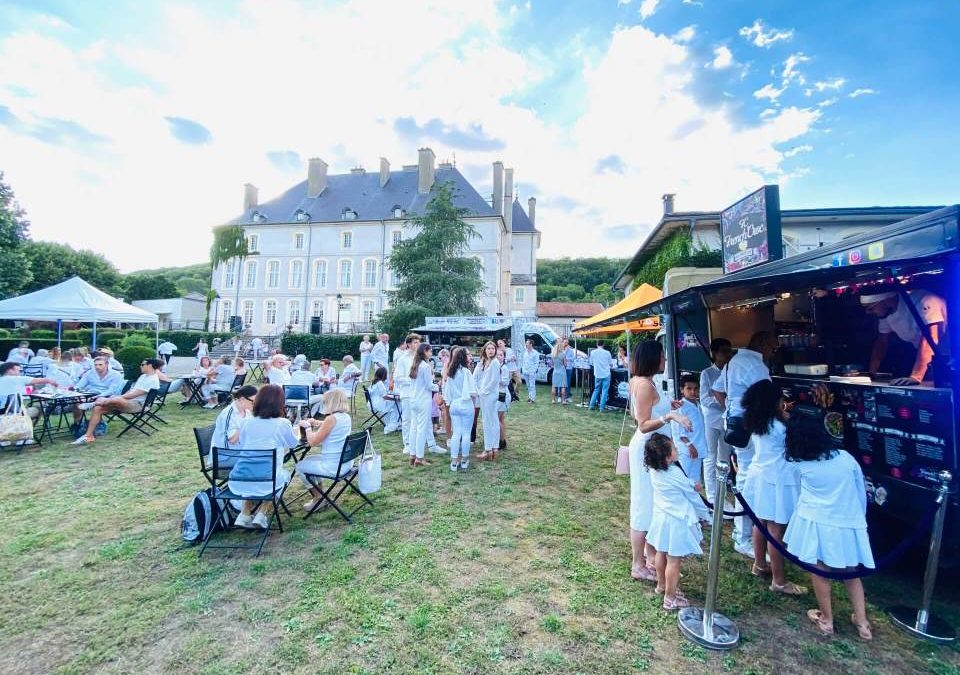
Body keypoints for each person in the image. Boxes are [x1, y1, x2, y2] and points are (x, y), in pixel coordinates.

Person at [783, 422, 874, 640]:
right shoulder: (845, 458)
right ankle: (862, 622)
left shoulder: (801, 466)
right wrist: (859, 519)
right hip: (847, 521)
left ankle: (827, 619)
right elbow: (860, 490)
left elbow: (796, 493)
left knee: (819, 570)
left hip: (817, 523)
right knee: (851, 574)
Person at [627, 340, 691, 582]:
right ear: (653, 359)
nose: (665, 360)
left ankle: (650, 554)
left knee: (653, 501)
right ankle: (638, 563)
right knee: (643, 504)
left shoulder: (644, 382)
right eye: (663, 356)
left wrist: (666, 406)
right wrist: (668, 415)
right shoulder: (643, 384)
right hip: (647, 450)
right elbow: (642, 424)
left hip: (655, 450)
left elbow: (642, 412)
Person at [711, 330, 778, 558]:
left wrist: (731, 410)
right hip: (751, 429)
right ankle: (745, 536)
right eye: (772, 347)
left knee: (744, 474)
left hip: (736, 426)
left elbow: (718, 390)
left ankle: (744, 532)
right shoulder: (755, 366)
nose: (773, 352)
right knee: (749, 478)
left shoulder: (734, 361)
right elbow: (767, 399)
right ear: (763, 344)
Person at [741, 379, 807, 596]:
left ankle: (759, 565)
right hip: (777, 479)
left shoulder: (759, 421)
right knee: (775, 529)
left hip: (760, 475)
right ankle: (779, 580)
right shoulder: (780, 426)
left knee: (760, 523)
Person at [644, 434, 711, 610]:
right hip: (676, 520)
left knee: (661, 552)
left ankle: (661, 585)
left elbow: (682, 485)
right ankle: (670, 597)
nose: (676, 449)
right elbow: (692, 495)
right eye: (673, 448)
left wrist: (690, 484)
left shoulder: (655, 469)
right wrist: (705, 514)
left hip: (661, 517)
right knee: (674, 560)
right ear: (667, 457)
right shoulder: (674, 473)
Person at [231, 384, 297, 530]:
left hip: (240, 477)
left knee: (256, 471)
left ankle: (245, 513)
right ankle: (262, 513)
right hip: (268, 479)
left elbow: (242, 444)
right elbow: (293, 444)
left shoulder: (247, 421)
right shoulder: (283, 423)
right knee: (279, 476)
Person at [861, 290, 947, 385]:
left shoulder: (924, 300)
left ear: (887, 301)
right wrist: (871, 373)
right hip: (929, 358)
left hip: (951, 354)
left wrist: (916, 376)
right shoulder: (886, 313)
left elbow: (930, 338)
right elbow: (881, 341)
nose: (868, 312)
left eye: (870, 308)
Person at [72, 358, 162, 445]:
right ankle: (89, 435)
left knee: (116, 398)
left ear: (150, 366)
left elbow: (135, 394)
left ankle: (93, 403)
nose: (140, 366)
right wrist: (117, 398)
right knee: (98, 408)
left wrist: (119, 397)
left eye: (142, 364)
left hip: (138, 405)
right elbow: (131, 391)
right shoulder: (143, 376)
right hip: (128, 402)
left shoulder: (152, 379)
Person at [297, 389, 355, 512]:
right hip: (346, 462)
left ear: (331, 402)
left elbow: (312, 442)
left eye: (325, 402)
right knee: (308, 460)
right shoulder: (345, 417)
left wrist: (308, 427)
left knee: (300, 466)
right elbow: (330, 426)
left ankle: (318, 497)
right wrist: (317, 422)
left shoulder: (331, 419)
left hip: (334, 466)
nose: (324, 404)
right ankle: (321, 496)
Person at [699, 338, 733, 512]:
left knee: (724, 457)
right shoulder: (707, 373)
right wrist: (722, 400)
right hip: (711, 420)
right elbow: (704, 398)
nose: (727, 355)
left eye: (729, 351)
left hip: (727, 420)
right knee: (710, 456)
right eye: (724, 351)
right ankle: (712, 497)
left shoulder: (732, 371)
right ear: (715, 353)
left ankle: (722, 493)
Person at [443, 346, 477, 471]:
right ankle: (464, 459)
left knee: (456, 433)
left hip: (454, 404)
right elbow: (473, 392)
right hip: (466, 404)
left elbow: (447, 392)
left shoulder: (451, 372)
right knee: (466, 433)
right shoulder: (466, 372)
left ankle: (454, 461)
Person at [669, 373, 705, 486]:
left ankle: (693, 502)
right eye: (689, 388)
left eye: (695, 389)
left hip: (698, 447)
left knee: (695, 479)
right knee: (683, 477)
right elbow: (680, 430)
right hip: (686, 449)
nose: (693, 392)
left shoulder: (698, 405)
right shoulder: (681, 406)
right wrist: (689, 445)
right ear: (682, 390)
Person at [408, 342, 439, 467]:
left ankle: (413, 454)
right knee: (421, 429)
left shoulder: (415, 365)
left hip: (414, 399)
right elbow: (429, 385)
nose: (431, 353)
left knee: (414, 428)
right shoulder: (425, 366)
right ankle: (419, 458)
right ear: (425, 351)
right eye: (430, 351)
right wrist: (438, 386)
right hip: (422, 400)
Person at [210, 385, 257, 464]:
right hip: (226, 456)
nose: (255, 404)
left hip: (239, 452)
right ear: (242, 399)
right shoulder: (229, 413)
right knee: (262, 459)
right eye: (254, 402)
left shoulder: (247, 412)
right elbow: (232, 440)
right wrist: (247, 423)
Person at [73, 356, 124, 425]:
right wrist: (74, 390)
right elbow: (80, 385)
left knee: (98, 403)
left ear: (107, 365)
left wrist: (98, 396)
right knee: (76, 401)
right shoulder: (89, 373)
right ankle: (78, 423)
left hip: (108, 396)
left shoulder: (115, 375)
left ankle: (97, 424)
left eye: (100, 364)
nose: (97, 367)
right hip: (91, 394)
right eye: (95, 365)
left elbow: (112, 390)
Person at [474, 341, 502, 461]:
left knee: (490, 421)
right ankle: (491, 449)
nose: (491, 350)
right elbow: (475, 376)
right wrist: (478, 390)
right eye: (488, 348)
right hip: (483, 394)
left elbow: (494, 381)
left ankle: (491, 449)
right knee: (489, 421)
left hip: (490, 395)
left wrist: (483, 391)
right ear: (485, 350)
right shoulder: (483, 362)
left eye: (493, 348)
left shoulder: (495, 363)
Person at [393, 334, 419, 454]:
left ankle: (417, 441)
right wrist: (412, 380)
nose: (417, 344)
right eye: (415, 342)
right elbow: (397, 377)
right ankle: (407, 443)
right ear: (408, 344)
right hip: (407, 393)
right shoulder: (402, 358)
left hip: (419, 393)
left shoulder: (420, 358)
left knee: (418, 419)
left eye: (418, 342)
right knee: (407, 418)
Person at [369, 366, 399, 434]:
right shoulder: (379, 383)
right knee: (394, 405)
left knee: (392, 403)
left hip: (373, 403)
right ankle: (392, 423)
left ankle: (391, 422)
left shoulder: (374, 382)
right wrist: (395, 398)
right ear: (384, 375)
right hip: (378, 404)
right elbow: (385, 397)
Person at [587, 341, 613, 412]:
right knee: (604, 391)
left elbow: (591, 363)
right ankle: (601, 408)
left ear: (597, 344)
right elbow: (611, 364)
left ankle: (591, 406)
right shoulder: (607, 353)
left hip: (597, 374)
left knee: (596, 390)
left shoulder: (593, 352)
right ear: (603, 344)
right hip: (606, 374)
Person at [495, 347, 510, 450]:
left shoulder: (504, 368)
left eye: (500, 355)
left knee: (496, 418)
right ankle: (501, 440)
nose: (498, 357)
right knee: (500, 419)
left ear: (504, 357)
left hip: (502, 395)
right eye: (497, 355)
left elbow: (506, 382)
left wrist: (496, 379)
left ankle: (501, 440)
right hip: (499, 394)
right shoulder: (496, 366)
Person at [563, 338, 577, 404]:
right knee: (562, 383)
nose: (566, 344)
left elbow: (573, 358)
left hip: (569, 368)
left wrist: (567, 359)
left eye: (567, 343)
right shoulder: (561, 350)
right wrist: (565, 352)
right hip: (562, 368)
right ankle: (561, 397)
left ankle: (567, 396)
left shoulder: (571, 350)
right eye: (565, 342)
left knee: (568, 383)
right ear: (563, 343)